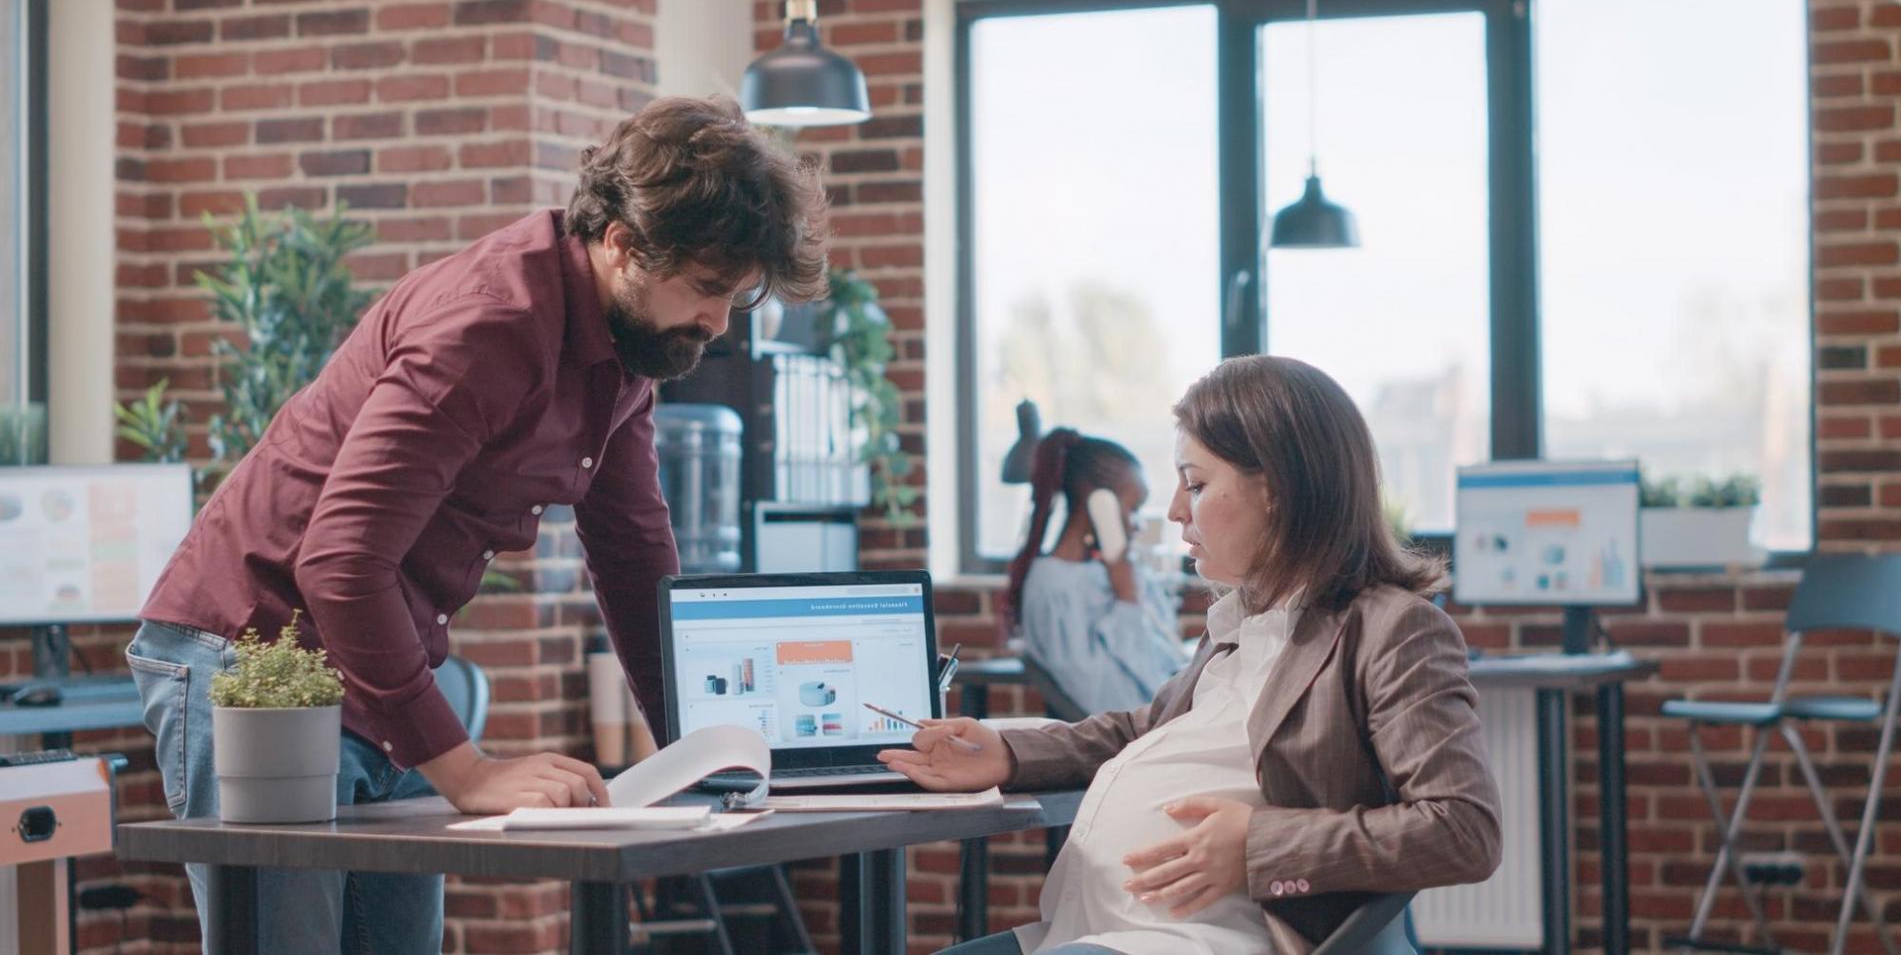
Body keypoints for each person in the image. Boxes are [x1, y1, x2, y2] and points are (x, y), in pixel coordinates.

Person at [124, 95, 829, 954]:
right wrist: (467, 770)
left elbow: (634, 551)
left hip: (371, 662)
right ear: (623, 244)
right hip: (251, 652)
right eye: (709, 290)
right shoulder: (490, 323)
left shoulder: (627, 349)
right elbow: (341, 560)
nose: (718, 324)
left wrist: (701, 748)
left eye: (737, 299)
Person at [882, 355, 1502, 955]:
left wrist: (1259, 846)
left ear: (1277, 493)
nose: (1176, 512)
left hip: (1216, 940)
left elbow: (1464, 830)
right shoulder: (1241, 624)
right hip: (1093, 928)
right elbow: (1144, 731)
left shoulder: (1394, 629)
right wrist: (1008, 752)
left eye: (1197, 484)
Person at [1004, 429, 1188, 714]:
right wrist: (1127, 600)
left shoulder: (1120, 571)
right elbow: (1115, 704)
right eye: (1133, 508)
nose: (1138, 524)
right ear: (1099, 502)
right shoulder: (1053, 587)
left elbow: (1167, 666)